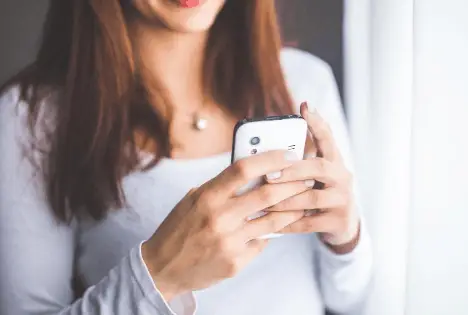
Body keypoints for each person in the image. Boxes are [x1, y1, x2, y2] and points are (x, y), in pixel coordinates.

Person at [0, 0, 373, 314]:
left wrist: (345, 238)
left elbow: (350, 298)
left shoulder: (305, 82)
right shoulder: (33, 117)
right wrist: (161, 274)